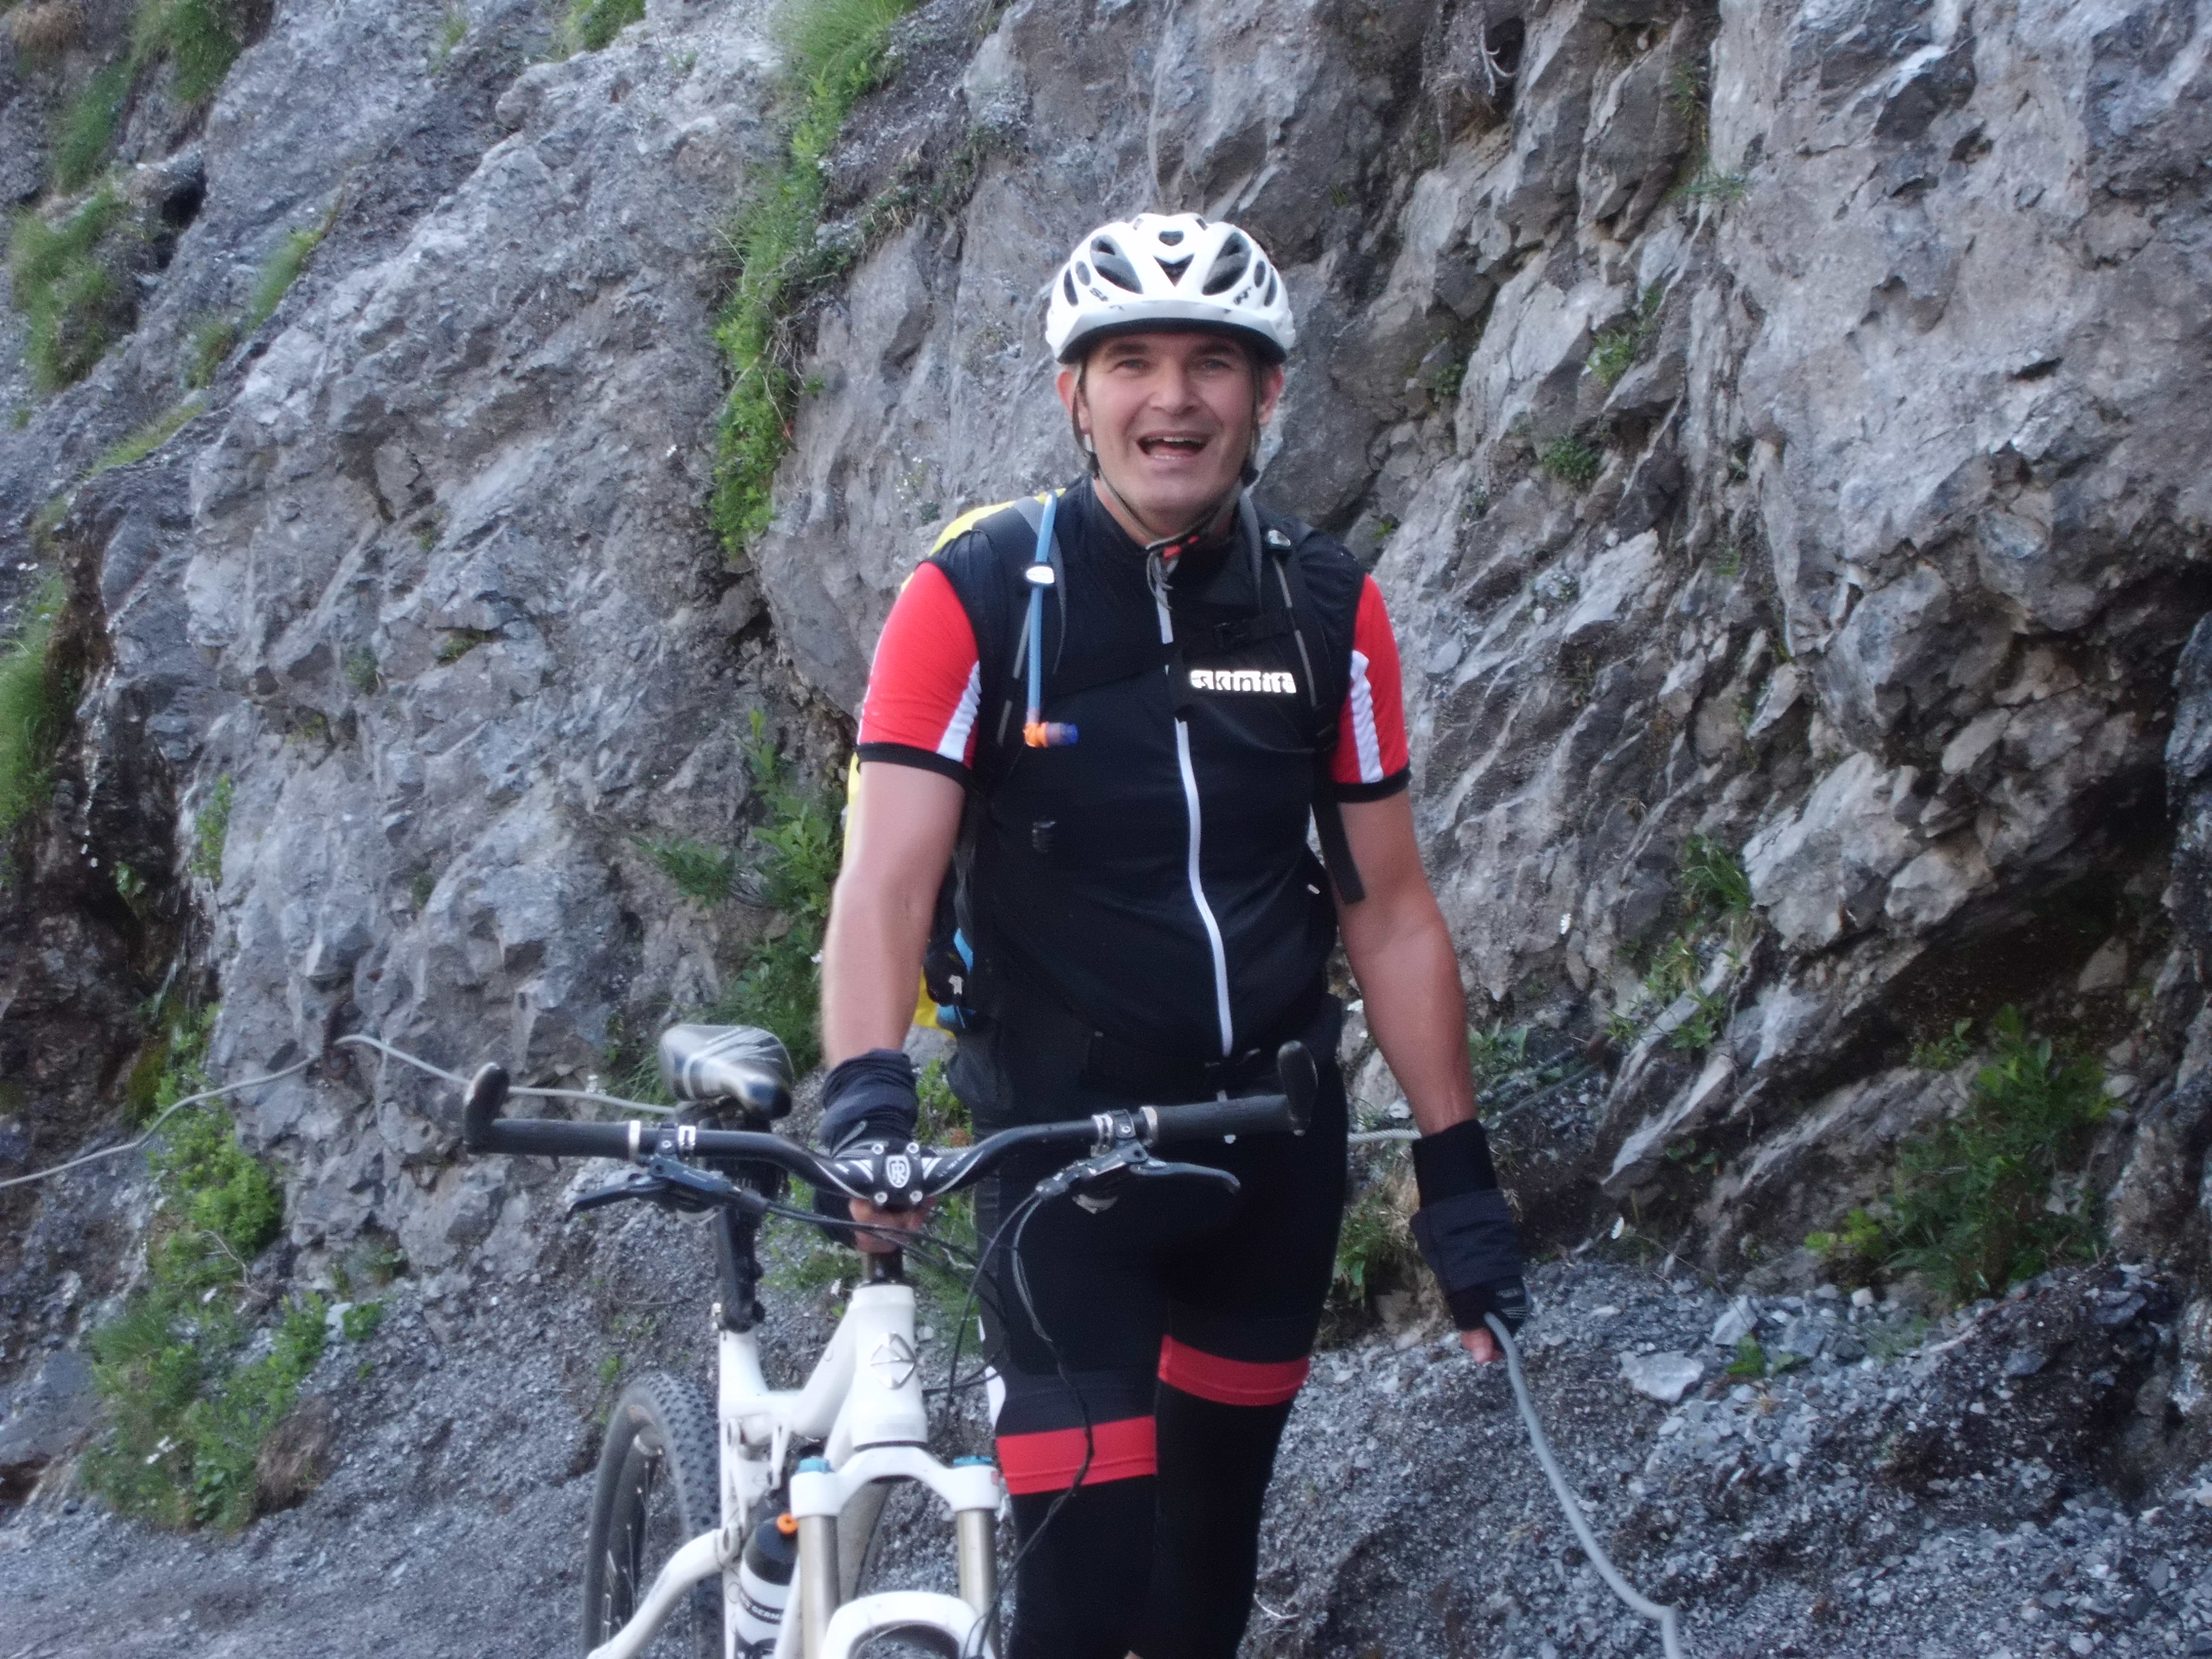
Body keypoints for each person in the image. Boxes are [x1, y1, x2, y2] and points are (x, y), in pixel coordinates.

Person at [815, 212, 1527, 1659]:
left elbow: (1389, 907)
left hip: (1270, 1148)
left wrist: (1457, 1181)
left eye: (1214, 362)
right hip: (1060, 1155)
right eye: (1131, 361)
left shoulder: (1327, 607)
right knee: (1082, 1593)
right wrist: (869, 1098)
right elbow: (884, 880)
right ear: (1074, 396)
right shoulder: (976, 596)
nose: (1174, 397)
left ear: (1268, 394)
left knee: (1203, 1582)